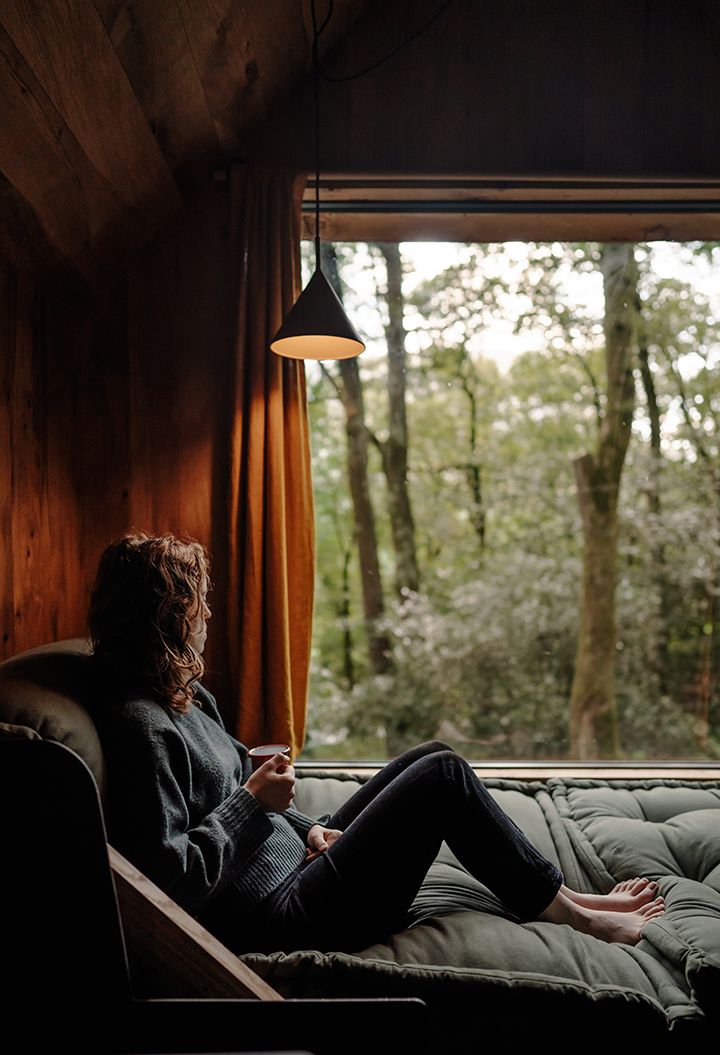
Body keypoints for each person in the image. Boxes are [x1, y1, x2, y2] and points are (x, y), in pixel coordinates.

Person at [89, 532, 665, 955]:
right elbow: (168, 883)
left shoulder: (185, 696)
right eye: (198, 603)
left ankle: (565, 896)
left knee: (433, 757)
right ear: (165, 618)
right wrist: (250, 806)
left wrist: (308, 827)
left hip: (298, 861)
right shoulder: (145, 730)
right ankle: (577, 918)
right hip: (283, 914)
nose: (209, 614)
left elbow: (245, 782)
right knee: (441, 783)